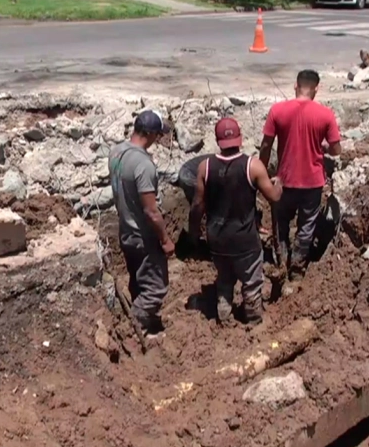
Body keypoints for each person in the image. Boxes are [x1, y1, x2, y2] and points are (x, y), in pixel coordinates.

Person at [189, 118, 282, 325]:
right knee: (251, 282)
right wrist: (278, 185)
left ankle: (224, 315)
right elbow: (274, 197)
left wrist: (194, 233)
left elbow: (197, 205)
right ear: (239, 139)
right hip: (245, 240)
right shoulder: (253, 166)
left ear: (217, 140)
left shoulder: (205, 167)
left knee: (224, 280)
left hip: (218, 239)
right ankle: (254, 320)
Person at [259, 69, 342, 288]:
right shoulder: (325, 114)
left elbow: (266, 145)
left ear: (295, 86)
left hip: (284, 181)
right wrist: (323, 145)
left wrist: (263, 172)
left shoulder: (278, 111)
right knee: (306, 226)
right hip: (312, 183)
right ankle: (297, 269)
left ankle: (281, 261)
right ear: (316, 88)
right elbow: (336, 150)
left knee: (281, 222)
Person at [108, 110, 174, 341]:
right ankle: (132, 330)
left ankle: (148, 326)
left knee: (138, 280)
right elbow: (150, 210)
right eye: (157, 134)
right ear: (149, 133)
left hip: (125, 232)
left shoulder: (116, 152)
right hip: (142, 235)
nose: (159, 138)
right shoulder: (143, 165)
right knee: (156, 287)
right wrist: (165, 239)